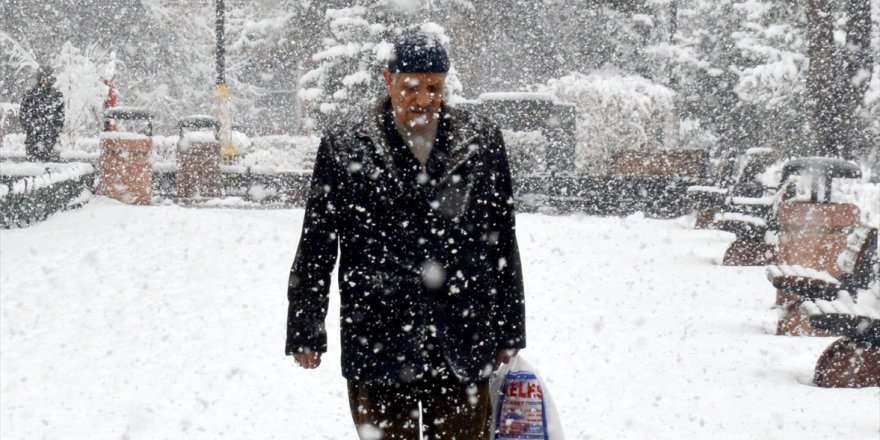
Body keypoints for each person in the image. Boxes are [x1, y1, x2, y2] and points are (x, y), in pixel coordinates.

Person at [286, 30, 526, 439]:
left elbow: (501, 238)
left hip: (463, 336)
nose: (423, 98)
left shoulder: (482, 141)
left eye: (434, 87)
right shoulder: (345, 145)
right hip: (377, 334)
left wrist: (510, 329)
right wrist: (306, 328)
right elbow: (318, 241)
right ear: (388, 80)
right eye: (411, 87)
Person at [20, 65, 64, 162]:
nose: (46, 80)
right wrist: (33, 128)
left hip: (51, 138)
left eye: (49, 77)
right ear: (40, 78)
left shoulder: (57, 95)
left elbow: (60, 118)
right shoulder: (30, 95)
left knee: (53, 166)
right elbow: (23, 116)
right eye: (44, 77)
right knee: (34, 164)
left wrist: (53, 129)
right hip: (34, 138)